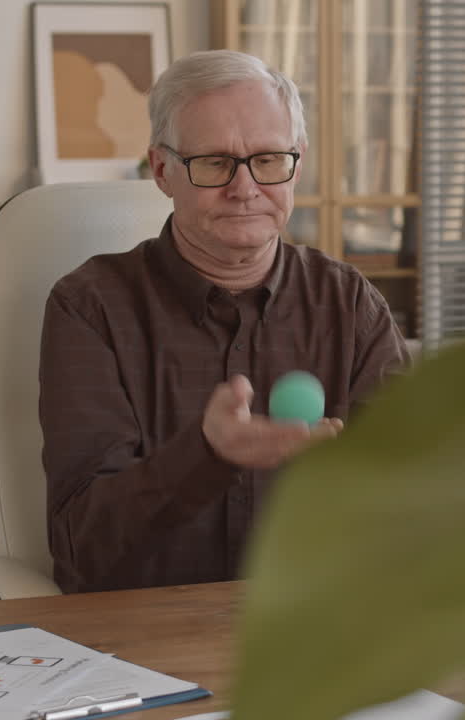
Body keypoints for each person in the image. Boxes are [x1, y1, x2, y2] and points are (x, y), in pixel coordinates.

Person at [38, 50, 410, 594]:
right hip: (138, 644)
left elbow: (418, 503)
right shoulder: (89, 308)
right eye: (214, 163)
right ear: (163, 170)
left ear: (296, 164)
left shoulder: (350, 304)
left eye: (268, 160)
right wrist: (204, 457)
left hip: (310, 633)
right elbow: (82, 551)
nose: (245, 188)